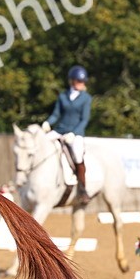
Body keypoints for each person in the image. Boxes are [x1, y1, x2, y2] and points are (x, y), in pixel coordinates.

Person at [43, 65, 92, 206]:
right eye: (79, 81)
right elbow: (56, 114)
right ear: (72, 81)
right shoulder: (63, 96)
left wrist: (74, 133)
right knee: (41, 143)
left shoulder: (86, 98)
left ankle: (83, 189)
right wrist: (47, 123)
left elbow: (84, 119)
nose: (82, 84)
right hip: (60, 130)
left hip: (75, 133)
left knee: (77, 154)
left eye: (83, 82)